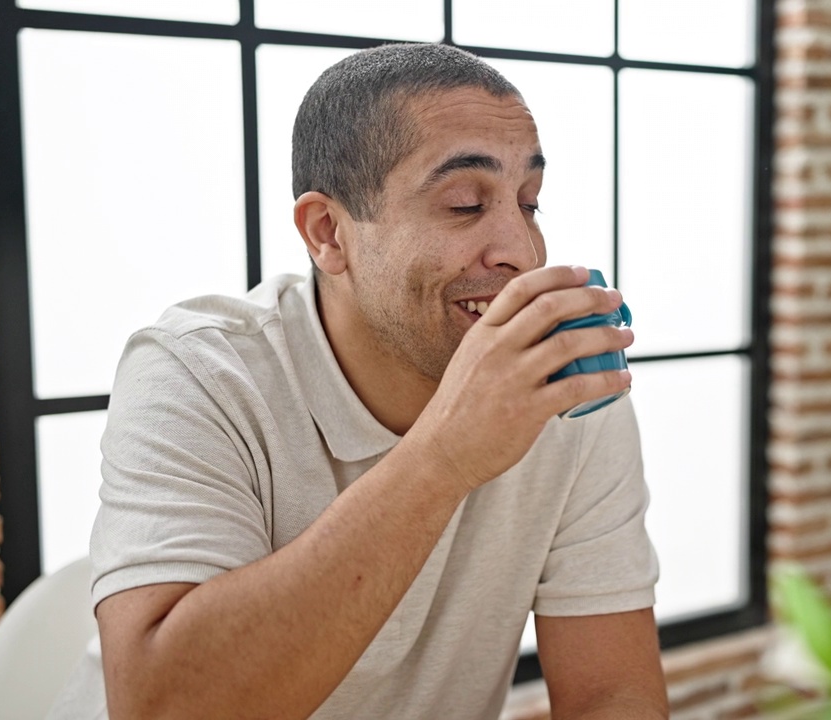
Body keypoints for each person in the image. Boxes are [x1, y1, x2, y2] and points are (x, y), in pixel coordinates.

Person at [48, 42, 665, 719]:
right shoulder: (198, 372)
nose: (519, 250)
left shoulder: (562, 384)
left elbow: (613, 696)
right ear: (328, 234)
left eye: (529, 202)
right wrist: (445, 457)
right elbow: (160, 707)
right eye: (464, 204)